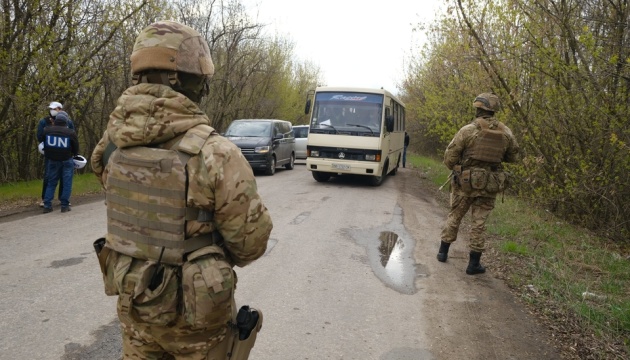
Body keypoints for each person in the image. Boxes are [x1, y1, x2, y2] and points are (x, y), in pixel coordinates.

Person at [90, 20, 272, 359]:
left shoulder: (111, 144)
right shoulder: (216, 152)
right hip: (197, 320)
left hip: (136, 304)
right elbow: (250, 244)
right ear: (186, 80)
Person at [436, 93, 520, 275]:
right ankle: (473, 264)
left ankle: (443, 252)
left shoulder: (467, 130)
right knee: (479, 224)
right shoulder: (506, 132)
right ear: (494, 110)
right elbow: (514, 157)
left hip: (464, 183)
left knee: (455, 216)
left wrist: (460, 168)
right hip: (489, 184)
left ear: (477, 109)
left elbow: (449, 158)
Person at [37, 102, 75, 207]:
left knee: (64, 177)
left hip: (65, 154)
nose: (52, 110)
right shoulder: (44, 121)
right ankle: (45, 199)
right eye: (51, 108)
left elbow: (73, 137)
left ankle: (63, 199)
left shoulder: (69, 122)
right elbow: (40, 137)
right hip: (50, 154)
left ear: (60, 109)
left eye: (54, 108)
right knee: (49, 176)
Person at [42, 112, 79, 213]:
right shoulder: (70, 132)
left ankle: (47, 205)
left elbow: (43, 142)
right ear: (66, 121)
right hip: (66, 160)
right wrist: (74, 154)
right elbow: (75, 148)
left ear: (56, 120)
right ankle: (64, 205)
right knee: (67, 183)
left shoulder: (47, 130)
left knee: (51, 182)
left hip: (52, 160)